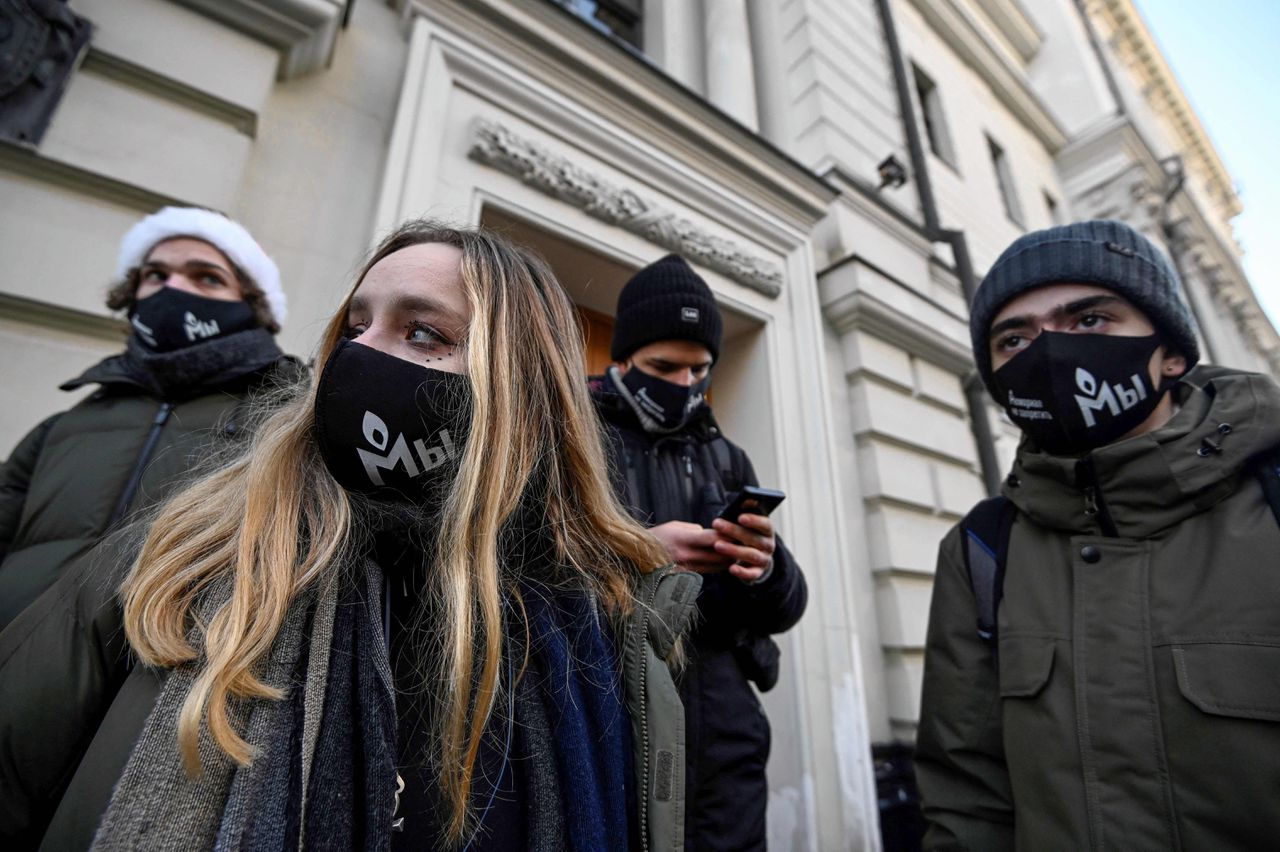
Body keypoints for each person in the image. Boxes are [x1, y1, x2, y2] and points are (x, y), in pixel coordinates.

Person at [0, 222, 700, 850]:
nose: (359, 355)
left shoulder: (610, 632)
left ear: (523, 387)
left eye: (422, 332)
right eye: (353, 328)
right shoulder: (175, 558)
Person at [914, 219, 1280, 850]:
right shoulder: (981, 551)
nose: (1049, 352)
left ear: (1170, 353)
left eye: (1088, 320)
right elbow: (966, 797)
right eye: (1014, 338)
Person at [590, 255, 808, 851]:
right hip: (606, 706)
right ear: (623, 359)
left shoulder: (727, 457)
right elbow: (515, 563)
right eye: (664, 366)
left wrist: (765, 567)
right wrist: (640, 551)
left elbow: (787, 607)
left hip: (721, 728)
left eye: (699, 370)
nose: (684, 385)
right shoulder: (573, 435)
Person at [0, 206, 296, 629]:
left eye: (207, 277)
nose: (172, 289)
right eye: (155, 275)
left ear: (251, 304)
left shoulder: (284, 423)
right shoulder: (61, 429)